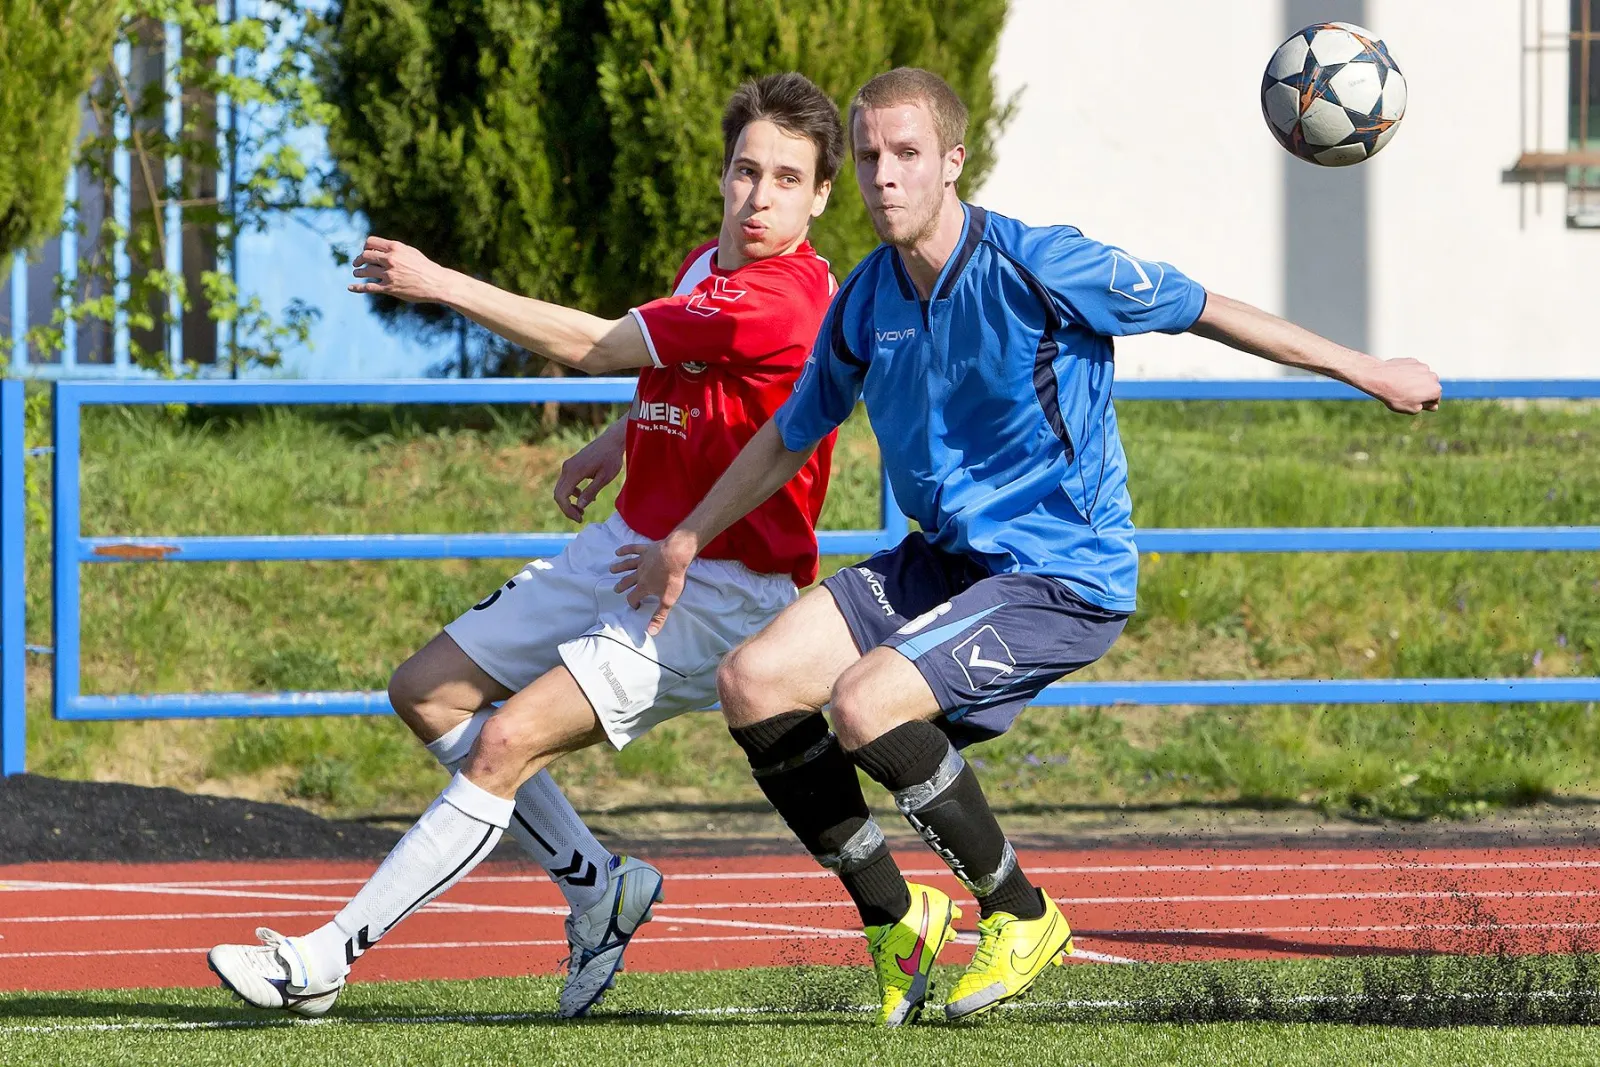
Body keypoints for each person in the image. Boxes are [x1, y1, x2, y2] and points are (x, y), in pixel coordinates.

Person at [615, 66, 1442, 1024]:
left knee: (866, 702)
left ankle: (1020, 912)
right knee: (753, 681)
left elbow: (1203, 306)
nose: (886, 175)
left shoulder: (1042, 263)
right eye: (872, 155)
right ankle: (895, 918)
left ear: (952, 162)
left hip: (1064, 570)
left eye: (908, 154)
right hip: (946, 561)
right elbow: (787, 435)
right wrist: (687, 535)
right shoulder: (866, 298)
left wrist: (1365, 368)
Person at [207, 71, 845, 1020]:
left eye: (788, 180)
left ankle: (324, 958)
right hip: (629, 542)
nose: (761, 197)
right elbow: (696, 382)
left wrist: (440, 283)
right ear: (723, 174)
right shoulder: (703, 265)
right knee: (426, 689)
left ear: (821, 196)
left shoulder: (784, 298)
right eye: (747, 171)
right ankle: (599, 886)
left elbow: (595, 347)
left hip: (712, 586)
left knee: (505, 740)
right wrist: (618, 441)